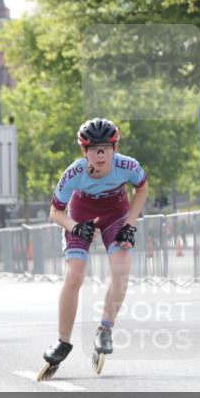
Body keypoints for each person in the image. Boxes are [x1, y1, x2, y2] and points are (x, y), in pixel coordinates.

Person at [37, 118, 148, 380]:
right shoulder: (74, 173)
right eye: (94, 150)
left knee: (121, 271)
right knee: (74, 274)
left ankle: (105, 329)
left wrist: (130, 224)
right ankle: (63, 342)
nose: (100, 155)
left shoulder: (127, 166)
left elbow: (141, 188)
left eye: (106, 149)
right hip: (80, 216)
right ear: (83, 152)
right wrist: (75, 227)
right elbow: (55, 212)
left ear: (115, 148)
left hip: (116, 215)